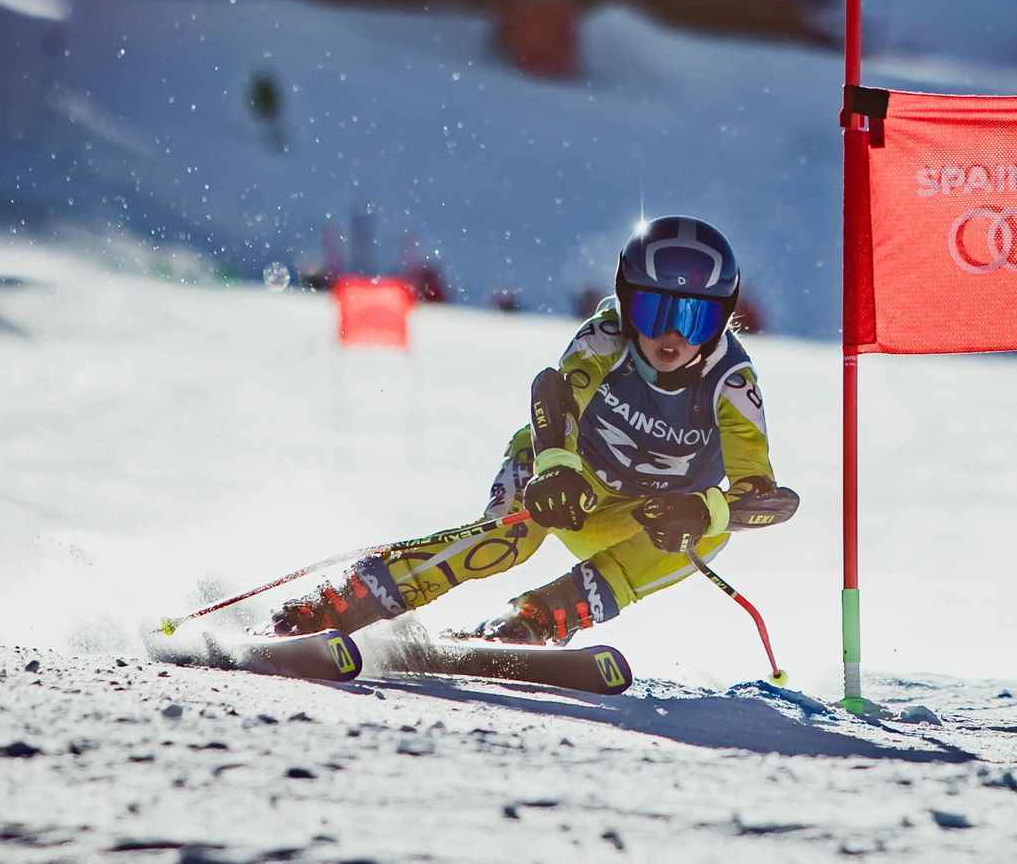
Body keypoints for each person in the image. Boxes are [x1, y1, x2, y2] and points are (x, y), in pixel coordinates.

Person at [270, 215, 792, 645]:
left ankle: (539, 618)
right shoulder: (606, 339)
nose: (673, 337)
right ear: (625, 300)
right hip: (567, 481)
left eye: (696, 320)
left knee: (708, 532)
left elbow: (765, 498)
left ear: (724, 320)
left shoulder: (731, 383)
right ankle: (349, 598)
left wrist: (703, 510)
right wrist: (557, 468)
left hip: (638, 517)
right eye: (654, 312)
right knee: (508, 538)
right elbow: (555, 394)